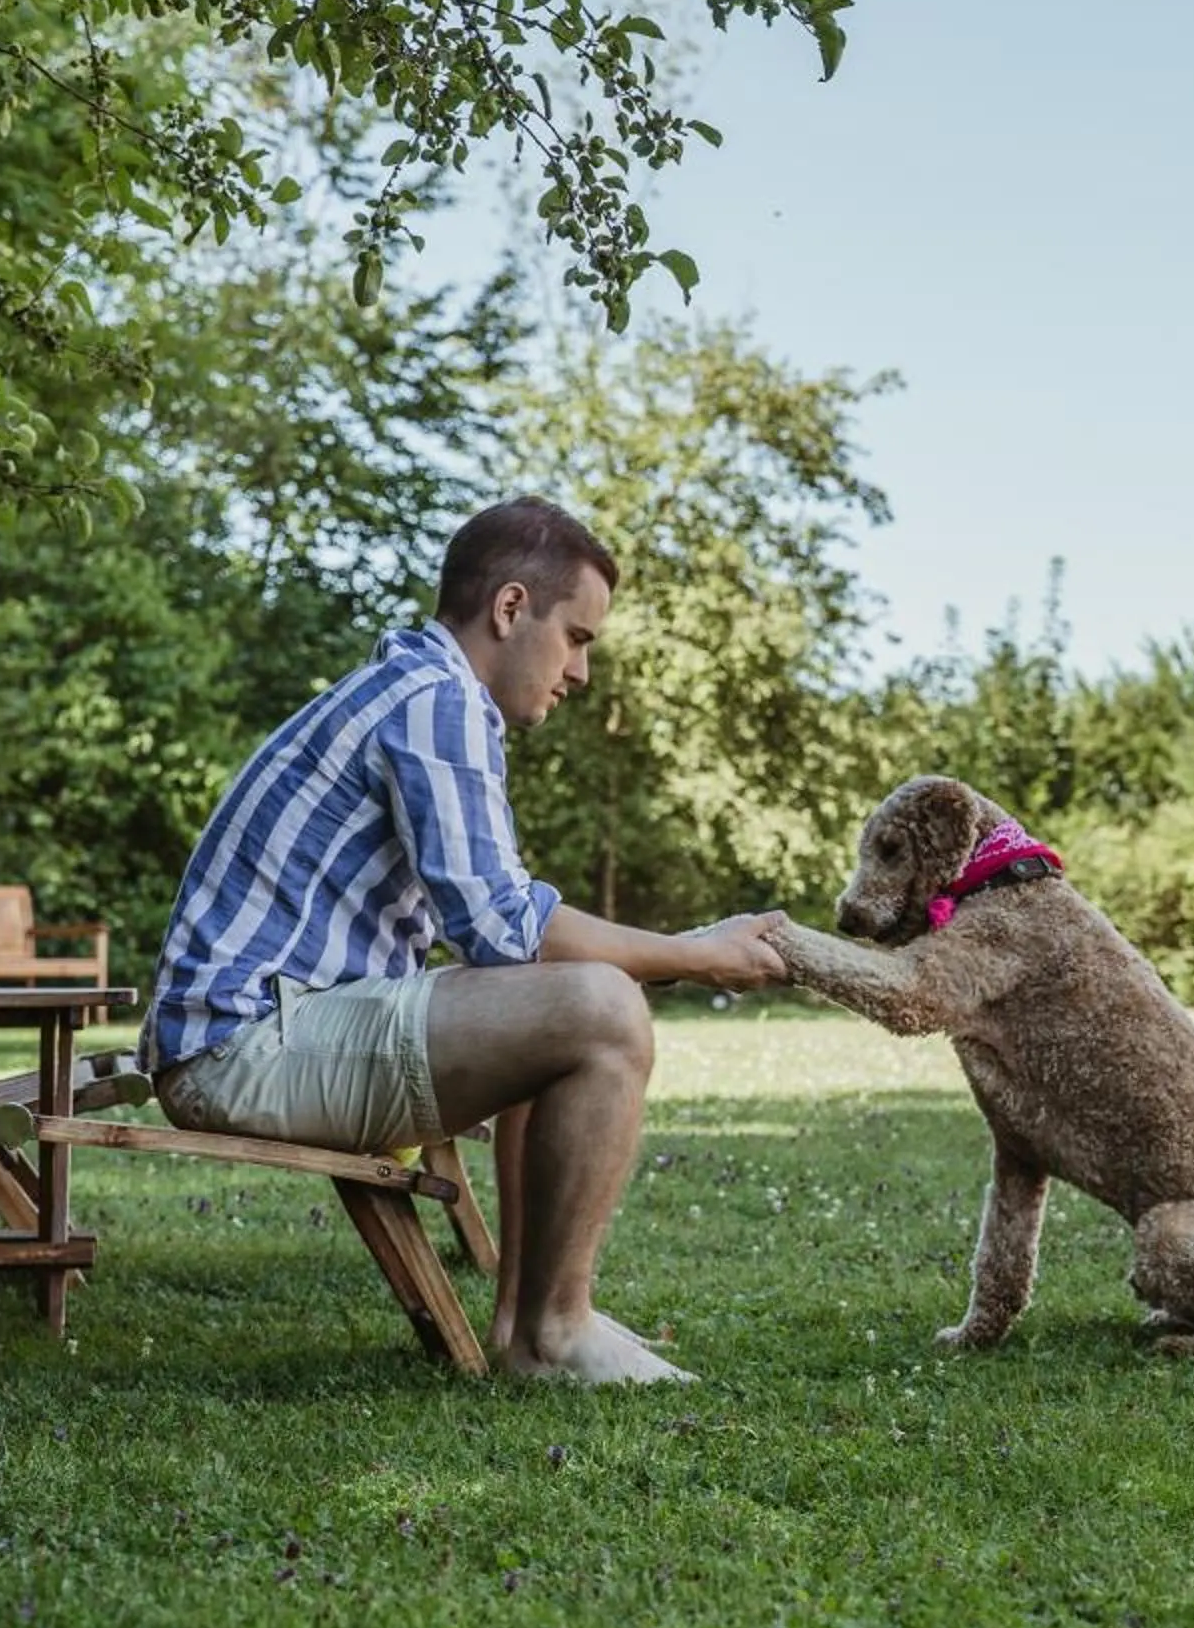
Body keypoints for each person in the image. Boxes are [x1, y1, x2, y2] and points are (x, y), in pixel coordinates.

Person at [137, 495, 788, 1384]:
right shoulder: (436, 700)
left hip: (270, 1030)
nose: (582, 673)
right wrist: (698, 951)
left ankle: (535, 1326)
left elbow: (504, 938)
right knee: (595, 1002)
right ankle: (554, 1335)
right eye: (579, 638)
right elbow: (501, 925)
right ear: (511, 609)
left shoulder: (422, 692)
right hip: (243, 1047)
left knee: (556, 1000)